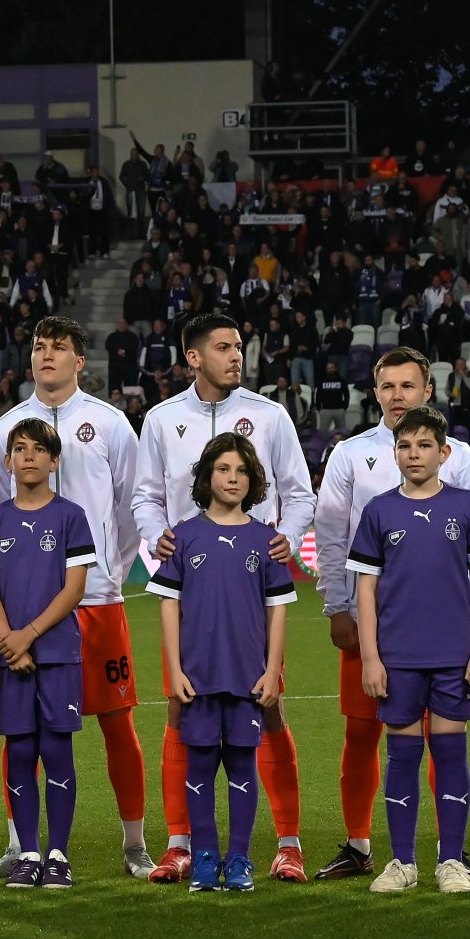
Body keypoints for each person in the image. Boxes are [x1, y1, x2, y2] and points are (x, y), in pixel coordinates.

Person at [132, 311, 316, 883]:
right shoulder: (162, 419)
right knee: (180, 705)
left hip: (250, 584)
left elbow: (299, 493)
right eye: (223, 347)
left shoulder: (270, 415)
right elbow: (145, 496)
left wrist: (288, 538)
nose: (236, 356)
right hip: (188, 575)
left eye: (239, 346)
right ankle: (181, 844)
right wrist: (155, 537)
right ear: (193, 357)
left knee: (268, 706)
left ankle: (287, 842)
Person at [312, 346, 470, 882]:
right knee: (363, 734)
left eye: (407, 386)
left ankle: (450, 850)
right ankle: (362, 844)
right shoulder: (351, 454)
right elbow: (330, 534)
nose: (397, 396)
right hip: (376, 628)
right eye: (388, 386)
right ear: (375, 392)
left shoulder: (459, 457)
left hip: (444, 633)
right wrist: (336, 603)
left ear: (427, 391)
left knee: (444, 742)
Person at [0, 317, 151, 879]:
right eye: (38, 347)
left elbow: (130, 506)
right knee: (20, 729)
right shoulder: (3, 430)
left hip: (97, 602)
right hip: (25, 607)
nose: (46, 355)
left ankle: (134, 843)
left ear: (80, 361)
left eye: (59, 347)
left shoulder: (111, 424)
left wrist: (109, 570)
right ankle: (20, 846)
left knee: (117, 722)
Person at [348, 406, 470, 895]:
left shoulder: (467, 506)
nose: (414, 454)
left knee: (450, 754)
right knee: (402, 756)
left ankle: (451, 860)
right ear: (394, 453)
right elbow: (365, 590)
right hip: (398, 659)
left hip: (453, 655)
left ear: (444, 452)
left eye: (424, 445)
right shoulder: (379, 511)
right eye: (405, 446)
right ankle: (403, 863)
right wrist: (371, 658)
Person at [146, 434, 295, 893]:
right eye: (224, 469)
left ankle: (240, 858)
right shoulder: (182, 537)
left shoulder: (266, 541)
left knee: (243, 765)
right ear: (207, 476)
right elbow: (168, 606)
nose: (233, 478)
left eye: (242, 471)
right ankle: (206, 857)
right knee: (200, 766)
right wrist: (174, 669)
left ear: (253, 480)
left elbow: (278, 610)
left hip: (248, 676)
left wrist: (272, 671)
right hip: (198, 675)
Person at [0, 418, 94, 889]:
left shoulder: (71, 517)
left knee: (57, 749)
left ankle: (58, 854)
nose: (28, 456)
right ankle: (28, 852)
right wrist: (8, 639)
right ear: (7, 462)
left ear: (54, 461)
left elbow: (74, 589)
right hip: (11, 657)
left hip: (57, 654)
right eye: (19, 449)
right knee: (20, 750)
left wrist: (29, 635)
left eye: (39, 449)